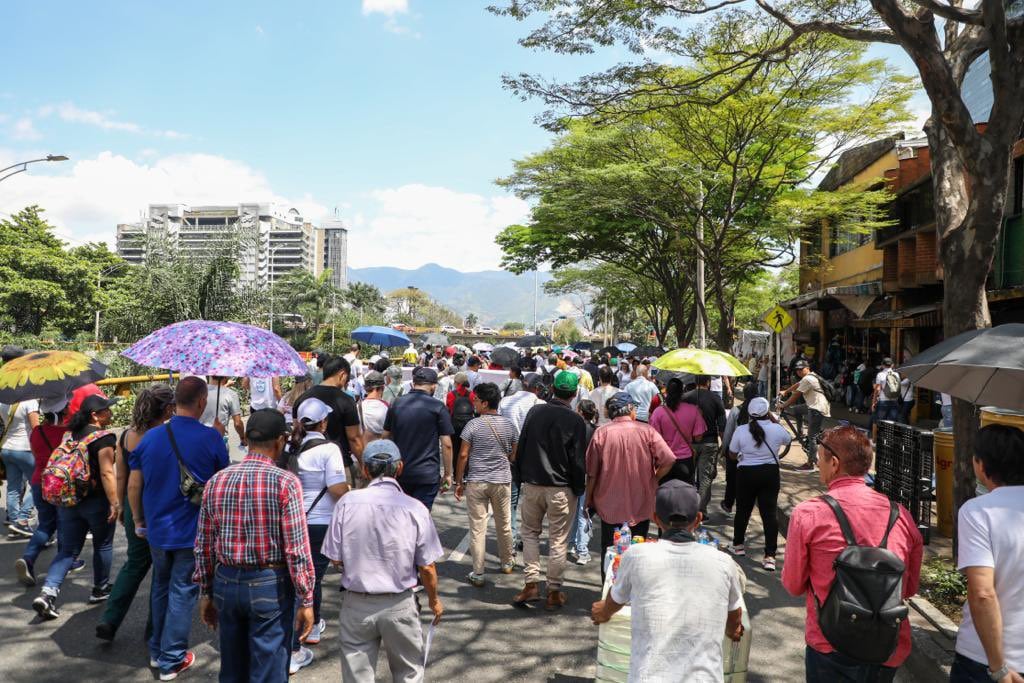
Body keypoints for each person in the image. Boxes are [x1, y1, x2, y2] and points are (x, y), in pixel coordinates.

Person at [782, 425, 923, 682]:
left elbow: (793, 585)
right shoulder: (901, 515)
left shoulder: (809, 513)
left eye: (819, 458)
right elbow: (909, 588)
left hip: (830, 644)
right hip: (886, 646)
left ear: (834, 463)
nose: (817, 463)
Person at [194, 409, 316, 683]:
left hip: (226, 581)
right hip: (269, 583)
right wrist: (306, 599)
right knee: (269, 668)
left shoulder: (217, 481)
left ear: (247, 440)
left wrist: (206, 591)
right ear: (280, 441)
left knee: (232, 668)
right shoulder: (286, 482)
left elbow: (204, 544)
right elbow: (296, 549)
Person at [591, 480, 744, 681]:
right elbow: (734, 616)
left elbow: (615, 600)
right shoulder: (724, 562)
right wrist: (733, 630)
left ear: (655, 518)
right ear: (698, 519)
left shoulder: (636, 555)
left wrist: (603, 612)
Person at [128, 377, 229, 680]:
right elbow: (222, 483)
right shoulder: (210, 438)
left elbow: (134, 484)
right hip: (192, 531)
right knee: (182, 590)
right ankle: (171, 658)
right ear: (202, 402)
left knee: (161, 586)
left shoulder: (150, 437)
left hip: (157, 529)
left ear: (174, 403)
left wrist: (138, 520)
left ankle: (158, 650)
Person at [321, 439, 445, 683]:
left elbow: (335, 557)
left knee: (357, 677)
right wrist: (434, 600)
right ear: (400, 468)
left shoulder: (347, 503)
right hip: (399, 604)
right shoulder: (415, 508)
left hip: (356, 603)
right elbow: (427, 567)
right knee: (409, 673)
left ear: (365, 470)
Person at [96, 385, 175, 642]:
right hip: (161, 505)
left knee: (135, 563)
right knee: (162, 569)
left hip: (134, 506)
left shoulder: (127, 436)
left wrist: (120, 505)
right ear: (166, 409)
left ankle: (110, 619)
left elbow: (122, 476)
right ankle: (154, 628)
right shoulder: (167, 435)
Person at [32, 394, 119, 620]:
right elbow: (107, 473)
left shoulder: (68, 435)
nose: (110, 412)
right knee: (103, 544)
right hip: (95, 502)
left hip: (68, 500)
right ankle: (100, 588)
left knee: (67, 550)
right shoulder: (104, 438)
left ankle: (48, 593)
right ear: (95, 415)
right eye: (107, 409)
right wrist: (115, 502)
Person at [950, 425, 1024, 683]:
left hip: (985, 660)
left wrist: (998, 667)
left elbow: (982, 593)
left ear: (980, 464)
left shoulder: (977, 512)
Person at [512, 371, 588, 610]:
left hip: (533, 484)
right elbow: (578, 460)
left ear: (552, 389)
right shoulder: (576, 420)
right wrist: (579, 488)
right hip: (562, 488)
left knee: (530, 533)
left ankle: (531, 584)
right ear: (574, 394)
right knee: (558, 539)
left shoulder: (536, 412)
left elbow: (522, 446)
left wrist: (519, 477)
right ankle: (553, 590)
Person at [287, 398, 350, 673]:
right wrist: (352, 495)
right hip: (320, 522)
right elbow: (336, 489)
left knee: (301, 576)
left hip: (293, 519)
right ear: (323, 423)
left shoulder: (290, 445)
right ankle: (300, 640)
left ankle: (310, 625)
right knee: (310, 578)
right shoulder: (329, 449)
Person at [586, 392, 676, 580]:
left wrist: (588, 500)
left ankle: (609, 591)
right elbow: (668, 459)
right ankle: (633, 589)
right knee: (638, 551)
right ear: (629, 410)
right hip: (640, 502)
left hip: (609, 505)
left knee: (610, 552)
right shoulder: (647, 431)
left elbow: (592, 473)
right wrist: (654, 478)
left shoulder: (601, 433)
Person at [454, 382, 518, 586]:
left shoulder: (472, 425)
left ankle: (478, 572)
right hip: (502, 481)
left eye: (476, 400)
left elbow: (463, 455)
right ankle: (507, 562)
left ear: (485, 403)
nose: (473, 403)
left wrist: (458, 481)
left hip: (477, 481)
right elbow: (513, 455)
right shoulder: (509, 425)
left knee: (477, 528)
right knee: (504, 524)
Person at [727, 396, 790, 571]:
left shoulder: (741, 430)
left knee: (743, 510)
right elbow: (788, 440)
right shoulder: (776, 429)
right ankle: (770, 556)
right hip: (770, 474)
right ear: (767, 412)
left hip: (746, 474)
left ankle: (738, 545)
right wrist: (774, 420)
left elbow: (732, 454)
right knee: (769, 514)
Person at [17, 395, 72, 587]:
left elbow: (37, 454)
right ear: (62, 411)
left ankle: (28, 558)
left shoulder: (36, 432)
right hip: (58, 483)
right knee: (64, 522)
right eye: (67, 407)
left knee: (46, 524)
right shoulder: (67, 433)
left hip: (38, 481)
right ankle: (66, 560)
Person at [382, 367, 455, 511]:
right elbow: (447, 444)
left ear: (413, 384)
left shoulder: (396, 403)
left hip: (400, 472)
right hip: (427, 474)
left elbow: (385, 437)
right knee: (421, 516)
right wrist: (448, 474)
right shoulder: (438, 407)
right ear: (433, 386)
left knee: (400, 515)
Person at [292, 356, 365, 491]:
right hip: (341, 466)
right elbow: (354, 438)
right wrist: (363, 464)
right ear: (342, 375)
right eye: (347, 379)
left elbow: (296, 431)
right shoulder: (346, 401)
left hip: (306, 466)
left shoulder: (302, 399)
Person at [499, 372, 547, 551]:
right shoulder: (541, 405)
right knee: (531, 501)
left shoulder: (505, 401)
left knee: (511, 499)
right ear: (537, 388)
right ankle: (527, 537)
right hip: (532, 457)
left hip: (508, 454)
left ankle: (511, 539)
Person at [649, 377, 707, 486]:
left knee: (663, 493)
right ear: (682, 392)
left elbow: (653, 439)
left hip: (664, 461)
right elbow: (698, 438)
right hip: (685, 461)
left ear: (666, 392)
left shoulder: (658, 412)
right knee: (685, 494)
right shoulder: (693, 410)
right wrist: (699, 415)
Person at [684, 375, 727, 515]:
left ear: (695, 381)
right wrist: (724, 445)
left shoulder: (685, 397)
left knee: (688, 476)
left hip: (689, 443)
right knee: (705, 478)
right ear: (708, 382)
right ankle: (701, 511)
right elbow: (722, 426)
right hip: (710, 442)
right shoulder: (716, 398)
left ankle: (688, 507)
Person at [779, 359, 831, 470]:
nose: (799, 372)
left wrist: (784, 405)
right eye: (797, 370)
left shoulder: (808, 379)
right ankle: (800, 433)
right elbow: (797, 385)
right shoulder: (810, 376)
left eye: (801, 369)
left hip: (816, 408)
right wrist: (786, 391)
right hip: (813, 405)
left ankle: (810, 464)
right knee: (796, 410)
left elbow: (796, 395)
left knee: (812, 436)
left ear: (807, 368)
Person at [1, 395, 40, 537]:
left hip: (7, 448)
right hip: (25, 449)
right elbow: (36, 428)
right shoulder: (30, 401)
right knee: (39, 484)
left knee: (13, 488)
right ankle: (22, 519)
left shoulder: (3, 401)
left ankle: (14, 523)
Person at [719, 382, 760, 514]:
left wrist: (723, 450)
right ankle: (744, 507)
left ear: (744, 394)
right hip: (753, 453)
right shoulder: (761, 413)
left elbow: (728, 433)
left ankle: (728, 504)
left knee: (732, 480)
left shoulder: (735, 410)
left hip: (735, 452)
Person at [569, 399, 599, 566]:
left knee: (576, 513)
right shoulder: (597, 431)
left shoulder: (574, 428)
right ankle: (580, 548)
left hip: (574, 475)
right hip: (589, 477)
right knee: (583, 513)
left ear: (580, 411)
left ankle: (577, 547)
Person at [200, 376, 245, 447]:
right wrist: (242, 438)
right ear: (225, 376)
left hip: (200, 439)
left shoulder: (199, 391)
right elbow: (237, 423)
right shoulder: (231, 394)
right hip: (220, 440)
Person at [447, 371, 477, 461]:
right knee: (467, 450)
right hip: (468, 425)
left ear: (456, 383)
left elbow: (449, 410)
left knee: (455, 450)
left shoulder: (451, 394)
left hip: (454, 426)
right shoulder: (472, 394)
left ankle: (455, 468)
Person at [359, 370, 389, 444]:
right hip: (383, 448)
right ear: (382, 388)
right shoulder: (386, 407)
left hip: (365, 448)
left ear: (365, 388)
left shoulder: (357, 407)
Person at [871, 358, 902, 425]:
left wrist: (873, 402)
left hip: (883, 401)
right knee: (892, 423)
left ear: (882, 365)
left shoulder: (880, 374)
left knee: (881, 422)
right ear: (892, 365)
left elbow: (877, 390)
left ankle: (881, 432)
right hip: (894, 401)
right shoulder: (897, 374)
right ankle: (889, 432)